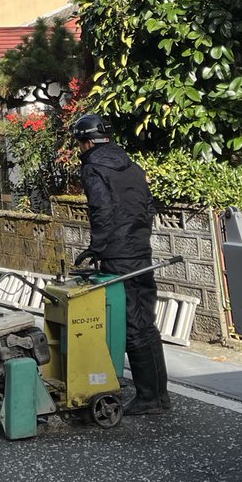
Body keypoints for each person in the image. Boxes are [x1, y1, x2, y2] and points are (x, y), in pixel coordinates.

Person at [73, 113, 170, 416]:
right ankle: (160, 394)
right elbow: (148, 207)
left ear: (86, 141)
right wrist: (136, 239)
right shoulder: (132, 166)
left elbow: (101, 209)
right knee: (146, 322)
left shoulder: (93, 167)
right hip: (140, 250)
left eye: (79, 143)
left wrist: (97, 247)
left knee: (130, 323)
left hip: (118, 255)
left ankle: (148, 399)